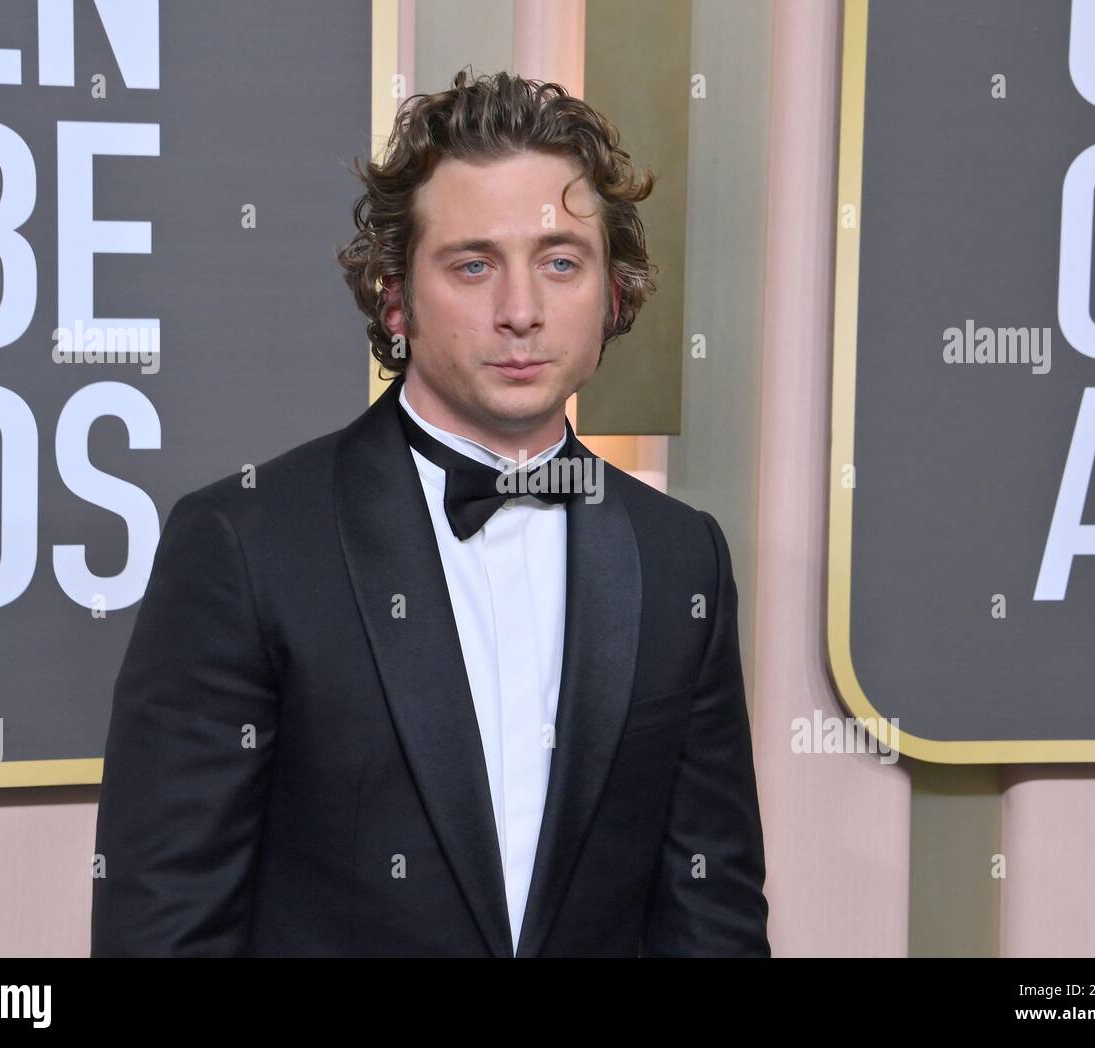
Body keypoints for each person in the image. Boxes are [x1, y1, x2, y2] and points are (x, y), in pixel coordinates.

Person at [90, 68, 769, 957]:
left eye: (561, 262)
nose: (521, 312)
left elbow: (711, 917)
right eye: (473, 264)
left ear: (613, 295)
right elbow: (163, 924)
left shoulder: (682, 557)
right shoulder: (245, 545)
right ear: (395, 297)